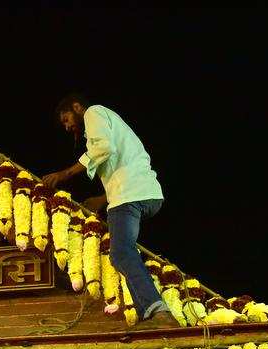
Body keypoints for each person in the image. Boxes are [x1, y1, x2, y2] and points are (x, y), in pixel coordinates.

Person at [42, 93, 179, 329]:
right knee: (122, 252)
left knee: (121, 252)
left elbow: (104, 147)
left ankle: (159, 313)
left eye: (66, 119)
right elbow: (118, 162)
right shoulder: (106, 122)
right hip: (143, 193)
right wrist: (102, 199)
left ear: (77, 107)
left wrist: (63, 174)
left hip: (129, 197)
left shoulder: (93, 112)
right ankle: (151, 312)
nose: (67, 126)